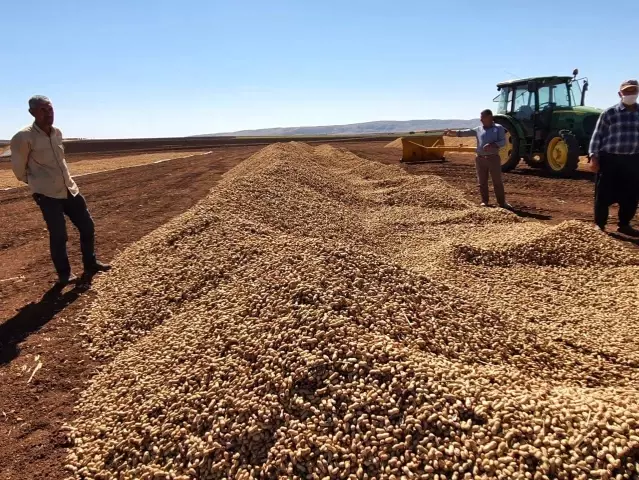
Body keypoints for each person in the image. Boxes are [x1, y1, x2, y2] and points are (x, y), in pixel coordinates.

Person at [10, 95, 111, 285]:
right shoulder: (23, 137)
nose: (49, 113)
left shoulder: (57, 132)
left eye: (50, 109)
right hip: (47, 194)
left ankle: (90, 263)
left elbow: (61, 160)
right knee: (59, 235)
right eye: (43, 110)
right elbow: (18, 169)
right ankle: (64, 274)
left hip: (69, 188)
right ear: (32, 112)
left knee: (87, 226)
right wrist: (36, 184)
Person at [589, 80, 639, 236]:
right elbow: (597, 136)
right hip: (610, 159)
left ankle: (624, 224)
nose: (630, 94)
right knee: (603, 194)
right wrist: (593, 156)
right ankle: (600, 224)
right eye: (627, 92)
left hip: (633, 160)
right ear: (620, 94)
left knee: (631, 195)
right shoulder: (609, 113)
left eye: (633, 91)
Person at [444, 109, 512, 209]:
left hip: (493, 158)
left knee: (497, 181)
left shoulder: (498, 128)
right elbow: (466, 132)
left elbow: (503, 142)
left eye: (482, 117)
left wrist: (493, 145)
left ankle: (502, 203)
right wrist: (453, 133)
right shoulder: (478, 129)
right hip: (480, 159)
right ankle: (485, 201)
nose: (480, 119)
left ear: (489, 117)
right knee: (482, 182)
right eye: (480, 117)